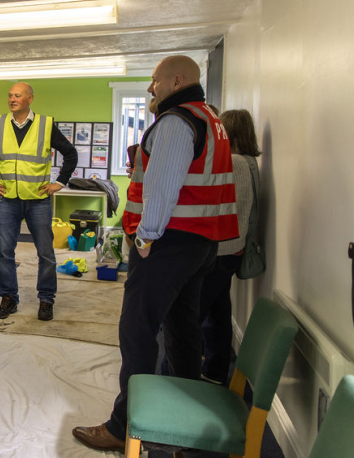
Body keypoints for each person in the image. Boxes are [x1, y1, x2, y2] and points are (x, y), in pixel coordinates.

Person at [72, 56, 238, 452]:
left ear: (178, 81)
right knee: (183, 331)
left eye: (156, 81)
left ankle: (122, 425)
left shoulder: (177, 122)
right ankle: (187, 420)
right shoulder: (211, 119)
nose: (151, 88)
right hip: (200, 245)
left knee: (138, 330)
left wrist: (144, 239)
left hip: (168, 244)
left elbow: (161, 189)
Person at [0, 82, 78, 322]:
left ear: (30, 99)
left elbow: (70, 153)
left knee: (46, 253)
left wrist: (60, 182)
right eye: (10, 95)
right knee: (6, 252)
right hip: (8, 199)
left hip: (38, 199)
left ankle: (46, 299)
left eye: (17, 96)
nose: (12, 99)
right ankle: (9, 297)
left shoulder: (45, 124)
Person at [199, 109, 261, 384]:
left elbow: (223, 207)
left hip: (223, 250)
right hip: (233, 250)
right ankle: (214, 370)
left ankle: (178, 377)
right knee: (219, 313)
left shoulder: (234, 164)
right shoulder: (249, 162)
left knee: (192, 315)